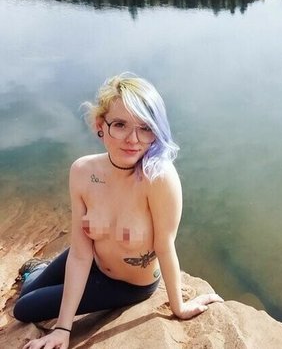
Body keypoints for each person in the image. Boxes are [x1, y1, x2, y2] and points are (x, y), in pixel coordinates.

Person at [14, 73, 223, 349]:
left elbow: (165, 246)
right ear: (101, 126)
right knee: (28, 290)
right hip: (91, 258)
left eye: (145, 128)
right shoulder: (82, 171)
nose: (133, 139)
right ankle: (37, 271)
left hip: (126, 284)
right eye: (121, 125)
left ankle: (38, 273)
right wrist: (62, 329)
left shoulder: (158, 178)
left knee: (24, 308)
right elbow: (80, 253)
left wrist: (179, 307)